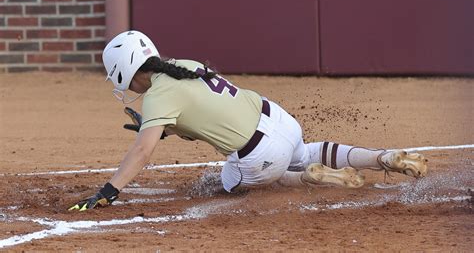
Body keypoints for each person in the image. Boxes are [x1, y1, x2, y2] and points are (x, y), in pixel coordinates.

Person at [69, 30, 428, 212]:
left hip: (259, 155)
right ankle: (382, 157)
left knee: (223, 184)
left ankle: (306, 178)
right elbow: (207, 112)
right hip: (280, 120)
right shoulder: (187, 65)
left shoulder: (158, 95)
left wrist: (108, 192)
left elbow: (141, 153)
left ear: (128, 72)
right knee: (305, 150)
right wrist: (165, 128)